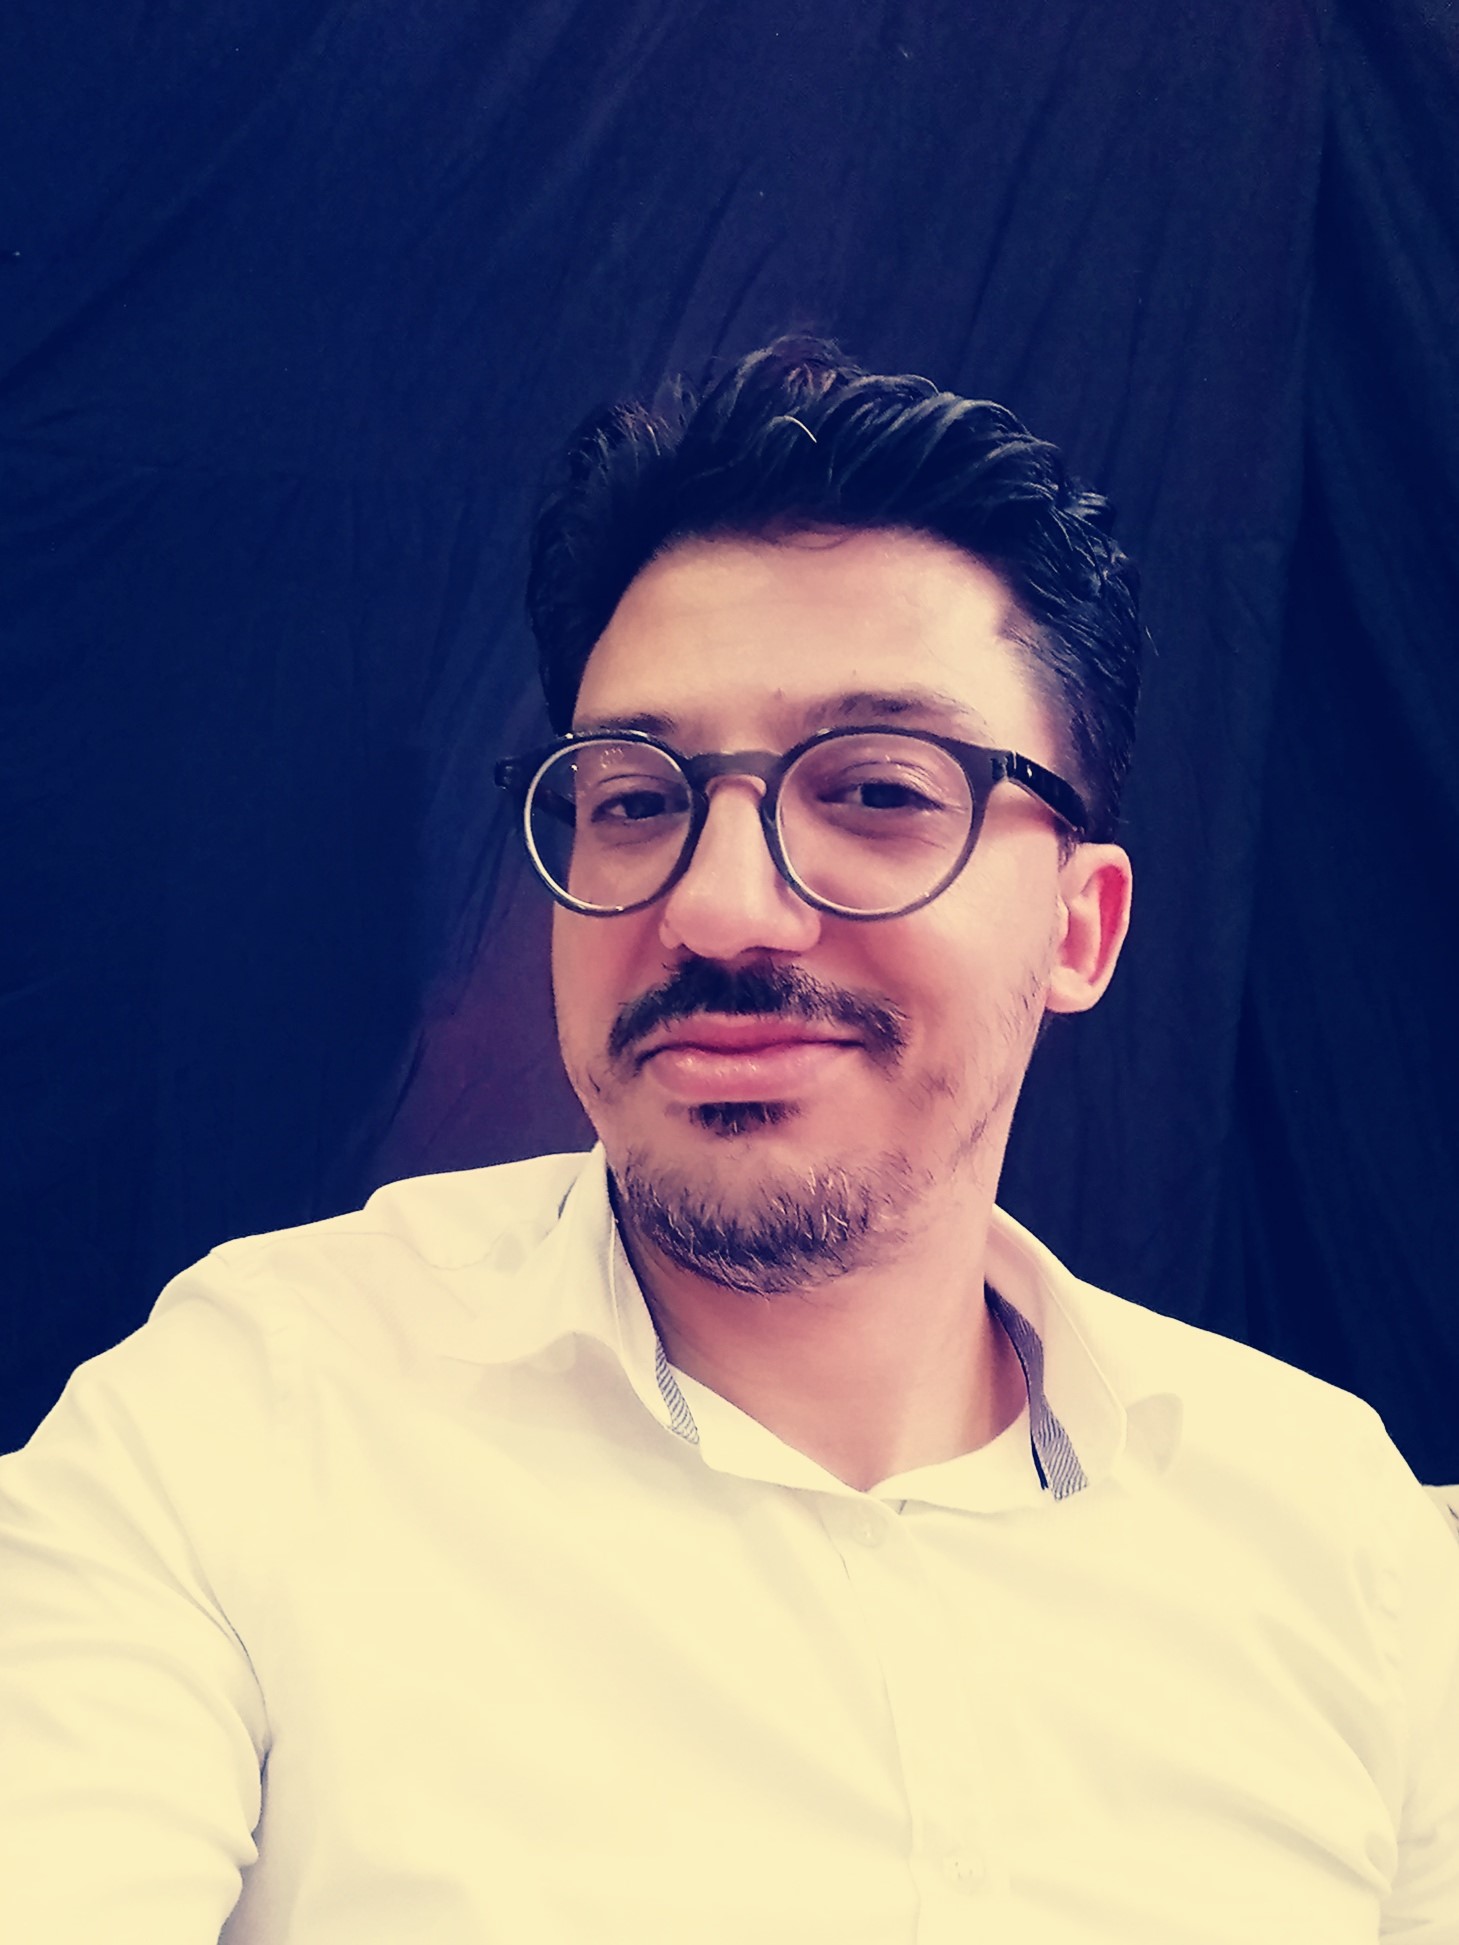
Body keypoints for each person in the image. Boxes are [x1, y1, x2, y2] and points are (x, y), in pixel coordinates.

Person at [2, 339, 1455, 1944]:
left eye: (880, 789)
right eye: (635, 797)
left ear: (1080, 927)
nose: (718, 904)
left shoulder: (1342, 1543)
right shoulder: (236, 1428)